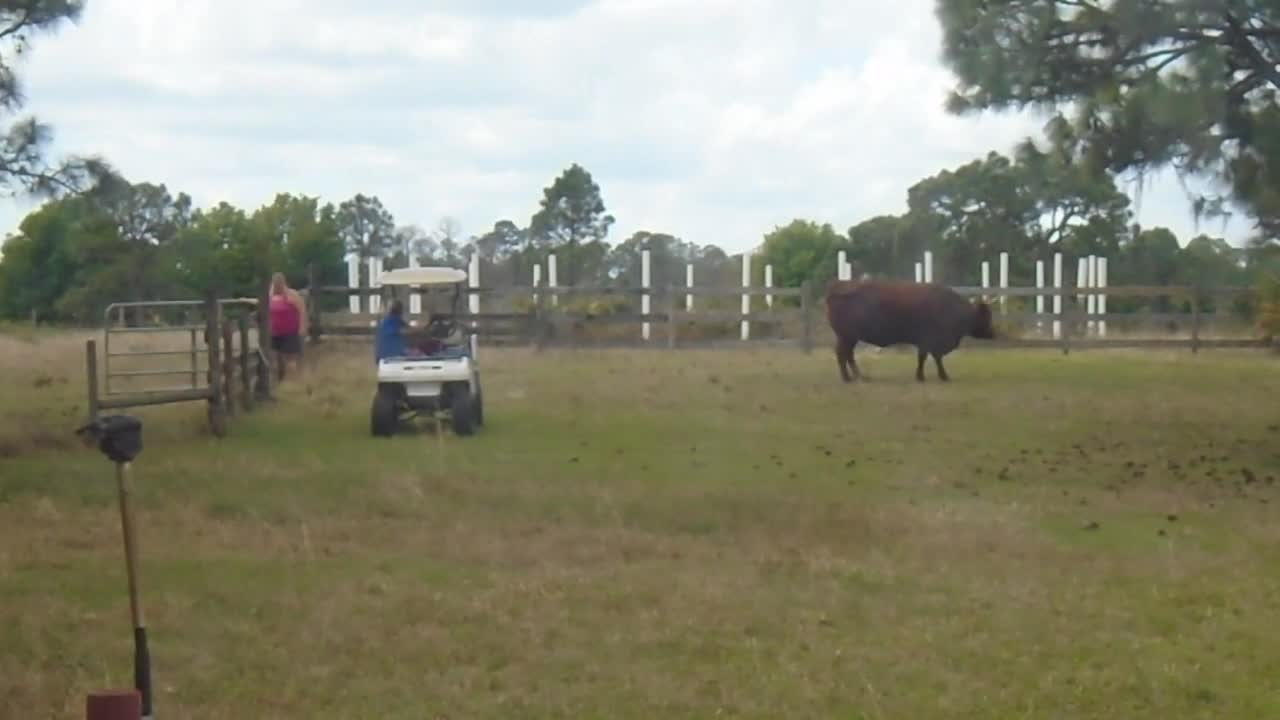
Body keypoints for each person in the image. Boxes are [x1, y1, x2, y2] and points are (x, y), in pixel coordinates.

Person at [268, 272, 307, 381]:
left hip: (290, 331)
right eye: (275, 283)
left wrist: (302, 327)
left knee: (290, 359)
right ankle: (279, 381)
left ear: (283, 283)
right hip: (274, 332)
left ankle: (293, 381)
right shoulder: (270, 295)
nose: (277, 285)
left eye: (279, 283)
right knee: (274, 357)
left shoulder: (292, 294)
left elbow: (302, 310)